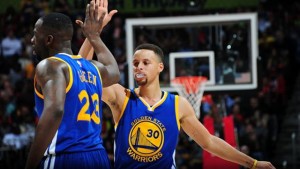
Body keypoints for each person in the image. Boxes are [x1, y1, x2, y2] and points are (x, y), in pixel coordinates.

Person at [80, 2, 275, 169]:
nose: (139, 67)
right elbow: (80, 74)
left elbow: (209, 142)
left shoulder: (177, 104)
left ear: (160, 67)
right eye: (135, 63)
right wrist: (92, 35)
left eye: (145, 63)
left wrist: (253, 164)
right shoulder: (122, 97)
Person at [25, 0, 120, 168]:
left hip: (65, 156)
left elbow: (55, 111)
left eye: (35, 34)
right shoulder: (92, 67)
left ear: (48, 39)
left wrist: (30, 164)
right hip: (98, 157)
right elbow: (113, 72)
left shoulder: (50, 65)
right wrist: (94, 37)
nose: (32, 39)